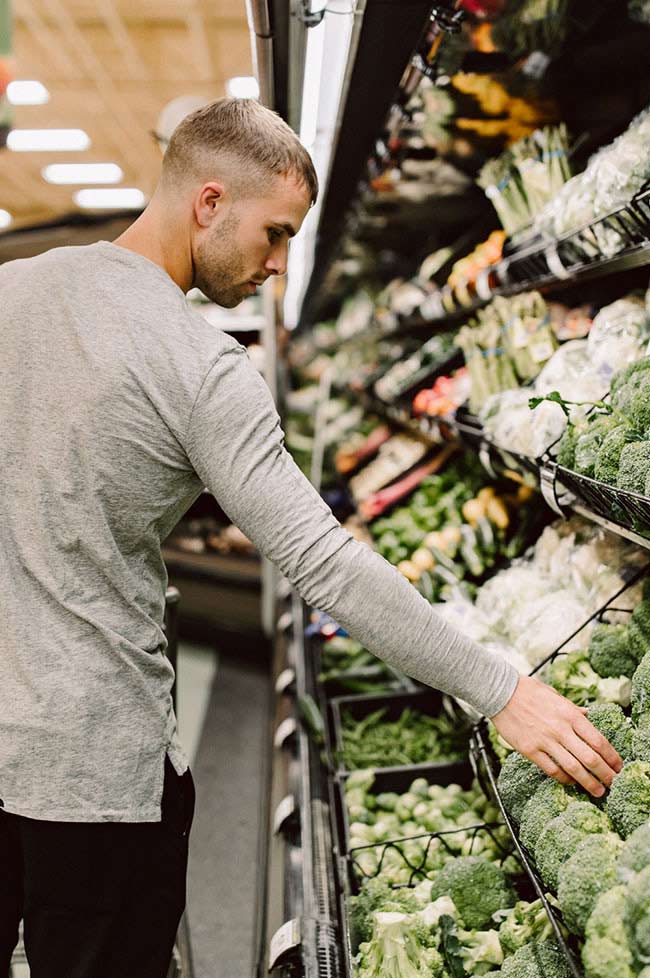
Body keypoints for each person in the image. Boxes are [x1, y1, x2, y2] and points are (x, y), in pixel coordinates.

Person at [0, 97, 622, 978]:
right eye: (276, 234)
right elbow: (323, 562)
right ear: (209, 203)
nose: (280, 268)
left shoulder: (10, 289)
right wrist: (501, 691)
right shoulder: (201, 365)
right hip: (93, 772)